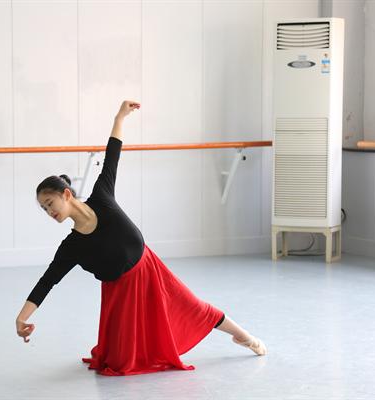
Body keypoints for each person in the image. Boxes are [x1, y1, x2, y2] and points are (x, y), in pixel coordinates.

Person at [15, 100, 266, 376]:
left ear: (66, 194)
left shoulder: (102, 196)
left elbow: (112, 154)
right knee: (121, 359)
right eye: (44, 208)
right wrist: (22, 318)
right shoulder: (71, 247)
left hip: (150, 269)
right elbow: (47, 281)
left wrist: (120, 117)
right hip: (120, 294)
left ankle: (244, 336)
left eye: (50, 203)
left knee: (194, 307)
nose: (49, 211)